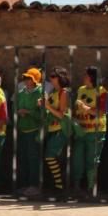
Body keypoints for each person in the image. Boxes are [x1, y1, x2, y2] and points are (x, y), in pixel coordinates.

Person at [72, 66, 108, 201]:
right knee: (77, 158)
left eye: (86, 75)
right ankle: (76, 187)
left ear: (92, 77)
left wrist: (85, 108)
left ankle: (91, 188)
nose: (84, 76)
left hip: (96, 131)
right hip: (81, 130)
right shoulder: (81, 90)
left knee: (92, 160)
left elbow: (101, 112)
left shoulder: (102, 91)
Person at [41, 66, 71, 201]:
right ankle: (58, 186)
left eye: (54, 77)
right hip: (52, 129)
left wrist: (47, 106)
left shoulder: (63, 92)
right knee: (51, 158)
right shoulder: (54, 92)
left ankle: (60, 187)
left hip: (61, 129)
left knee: (50, 157)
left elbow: (61, 114)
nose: (51, 79)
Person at [15, 67, 44, 197]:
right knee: (23, 159)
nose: (26, 80)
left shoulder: (40, 93)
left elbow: (42, 114)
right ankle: (25, 185)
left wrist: (28, 112)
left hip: (34, 131)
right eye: (25, 78)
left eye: (29, 78)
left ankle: (34, 185)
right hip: (22, 130)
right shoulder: (21, 93)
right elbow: (15, 107)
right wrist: (19, 113)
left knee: (33, 159)